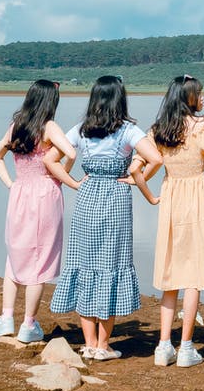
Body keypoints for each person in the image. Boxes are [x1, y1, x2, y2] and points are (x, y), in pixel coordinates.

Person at [45, 75, 161, 361]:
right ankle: (103, 345)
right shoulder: (128, 130)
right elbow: (157, 158)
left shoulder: (81, 129)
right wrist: (137, 180)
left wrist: (73, 183)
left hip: (87, 198)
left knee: (85, 264)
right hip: (116, 199)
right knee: (111, 262)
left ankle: (88, 343)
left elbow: (50, 160)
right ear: (120, 98)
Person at [129, 75, 204, 368]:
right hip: (198, 196)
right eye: (200, 94)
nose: (203, 99)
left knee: (170, 274)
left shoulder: (159, 129)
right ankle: (186, 346)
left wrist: (151, 197)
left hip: (171, 196)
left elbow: (137, 169)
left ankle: (164, 345)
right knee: (193, 276)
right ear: (189, 97)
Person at [0, 79, 75, 344]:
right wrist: (61, 175)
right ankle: (28, 324)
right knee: (40, 259)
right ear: (51, 101)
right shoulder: (48, 127)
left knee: (15, 254)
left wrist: (11, 183)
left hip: (20, 193)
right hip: (44, 194)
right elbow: (70, 152)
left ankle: (6, 319)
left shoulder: (17, 126)